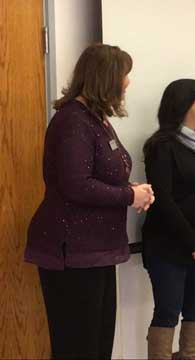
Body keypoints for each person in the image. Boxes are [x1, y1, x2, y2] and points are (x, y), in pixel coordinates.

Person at [24, 43, 154, 359]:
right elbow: (76, 185)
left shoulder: (95, 119)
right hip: (72, 253)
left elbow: (94, 175)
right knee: (78, 349)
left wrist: (129, 187)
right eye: (124, 75)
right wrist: (128, 195)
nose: (127, 83)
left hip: (97, 250)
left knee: (97, 347)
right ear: (106, 78)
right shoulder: (73, 121)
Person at [142, 79, 195, 360]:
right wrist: (194, 244)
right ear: (182, 103)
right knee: (167, 313)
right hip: (169, 246)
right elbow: (163, 201)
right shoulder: (160, 146)